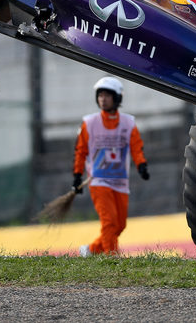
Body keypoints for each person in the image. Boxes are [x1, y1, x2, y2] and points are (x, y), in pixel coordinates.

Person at [74, 77, 149, 256]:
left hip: (120, 181)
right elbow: (80, 150)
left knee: (120, 225)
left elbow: (136, 147)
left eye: (107, 95)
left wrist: (141, 165)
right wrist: (77, 175)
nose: (103, 99)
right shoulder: (89, 123)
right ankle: (112, 258)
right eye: (100, 95)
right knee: (109, 222)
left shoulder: (128, 123)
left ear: (117, 98)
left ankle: (91, 250)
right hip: (99, 181)